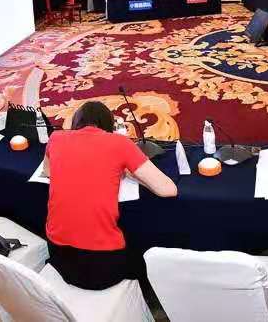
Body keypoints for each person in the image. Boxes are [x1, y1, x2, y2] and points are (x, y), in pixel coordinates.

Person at [44, 101, 178, 290]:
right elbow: (168, 190)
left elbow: (48, 171)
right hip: (103, 267)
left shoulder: (56, 138)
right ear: (109, 125)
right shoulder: (120, 143)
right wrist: (131, 175)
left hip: (58, 256)